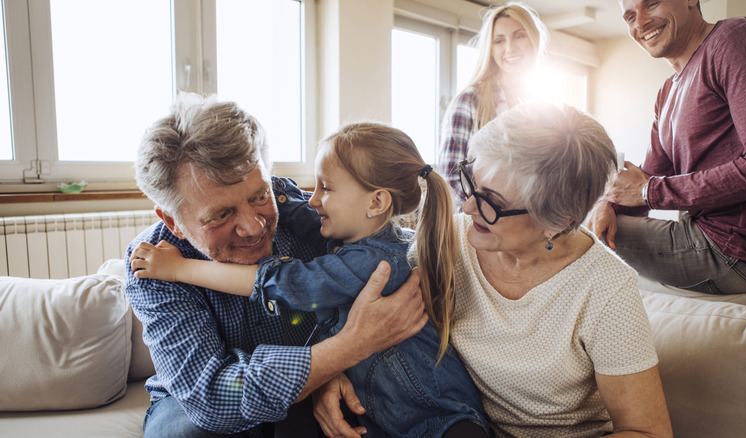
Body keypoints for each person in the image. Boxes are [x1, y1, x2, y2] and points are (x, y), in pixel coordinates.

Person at [317, 101, 674, 438]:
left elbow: (647, 432)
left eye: (492, 202)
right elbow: (370, 317)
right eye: (472, 182)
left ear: (557, 221)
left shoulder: (607, 290)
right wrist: (330, 372)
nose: (469, 207)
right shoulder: (452, 238)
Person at [131, 122, 490, 437]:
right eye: (221, 214)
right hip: (206, 400)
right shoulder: (153, 264)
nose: (254, 227)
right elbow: (211, 398)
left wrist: (325, 371)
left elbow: (367, 242)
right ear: (173, 221)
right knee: (183, 431)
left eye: (260, 196)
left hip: (396, 402)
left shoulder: (314, 221)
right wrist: (342, 352)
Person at [587, 0, 746, 294]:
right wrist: (608, 203)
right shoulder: (667, 92)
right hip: (707, 236)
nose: (640, 22)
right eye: (629, 16)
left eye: (651, 3)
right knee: (589, 219)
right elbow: (648, 175)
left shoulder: (738, 38)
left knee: (578, 237)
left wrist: (649, 192)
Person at [437, 1, 549, 205]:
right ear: (490, 48)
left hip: (534, 216)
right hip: (484, 218)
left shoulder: (546, 106)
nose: (510, 48)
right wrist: (491, 213)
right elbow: (451, 178)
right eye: (499, 41)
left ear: (534, 39)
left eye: (519, 36)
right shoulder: (470, 101)